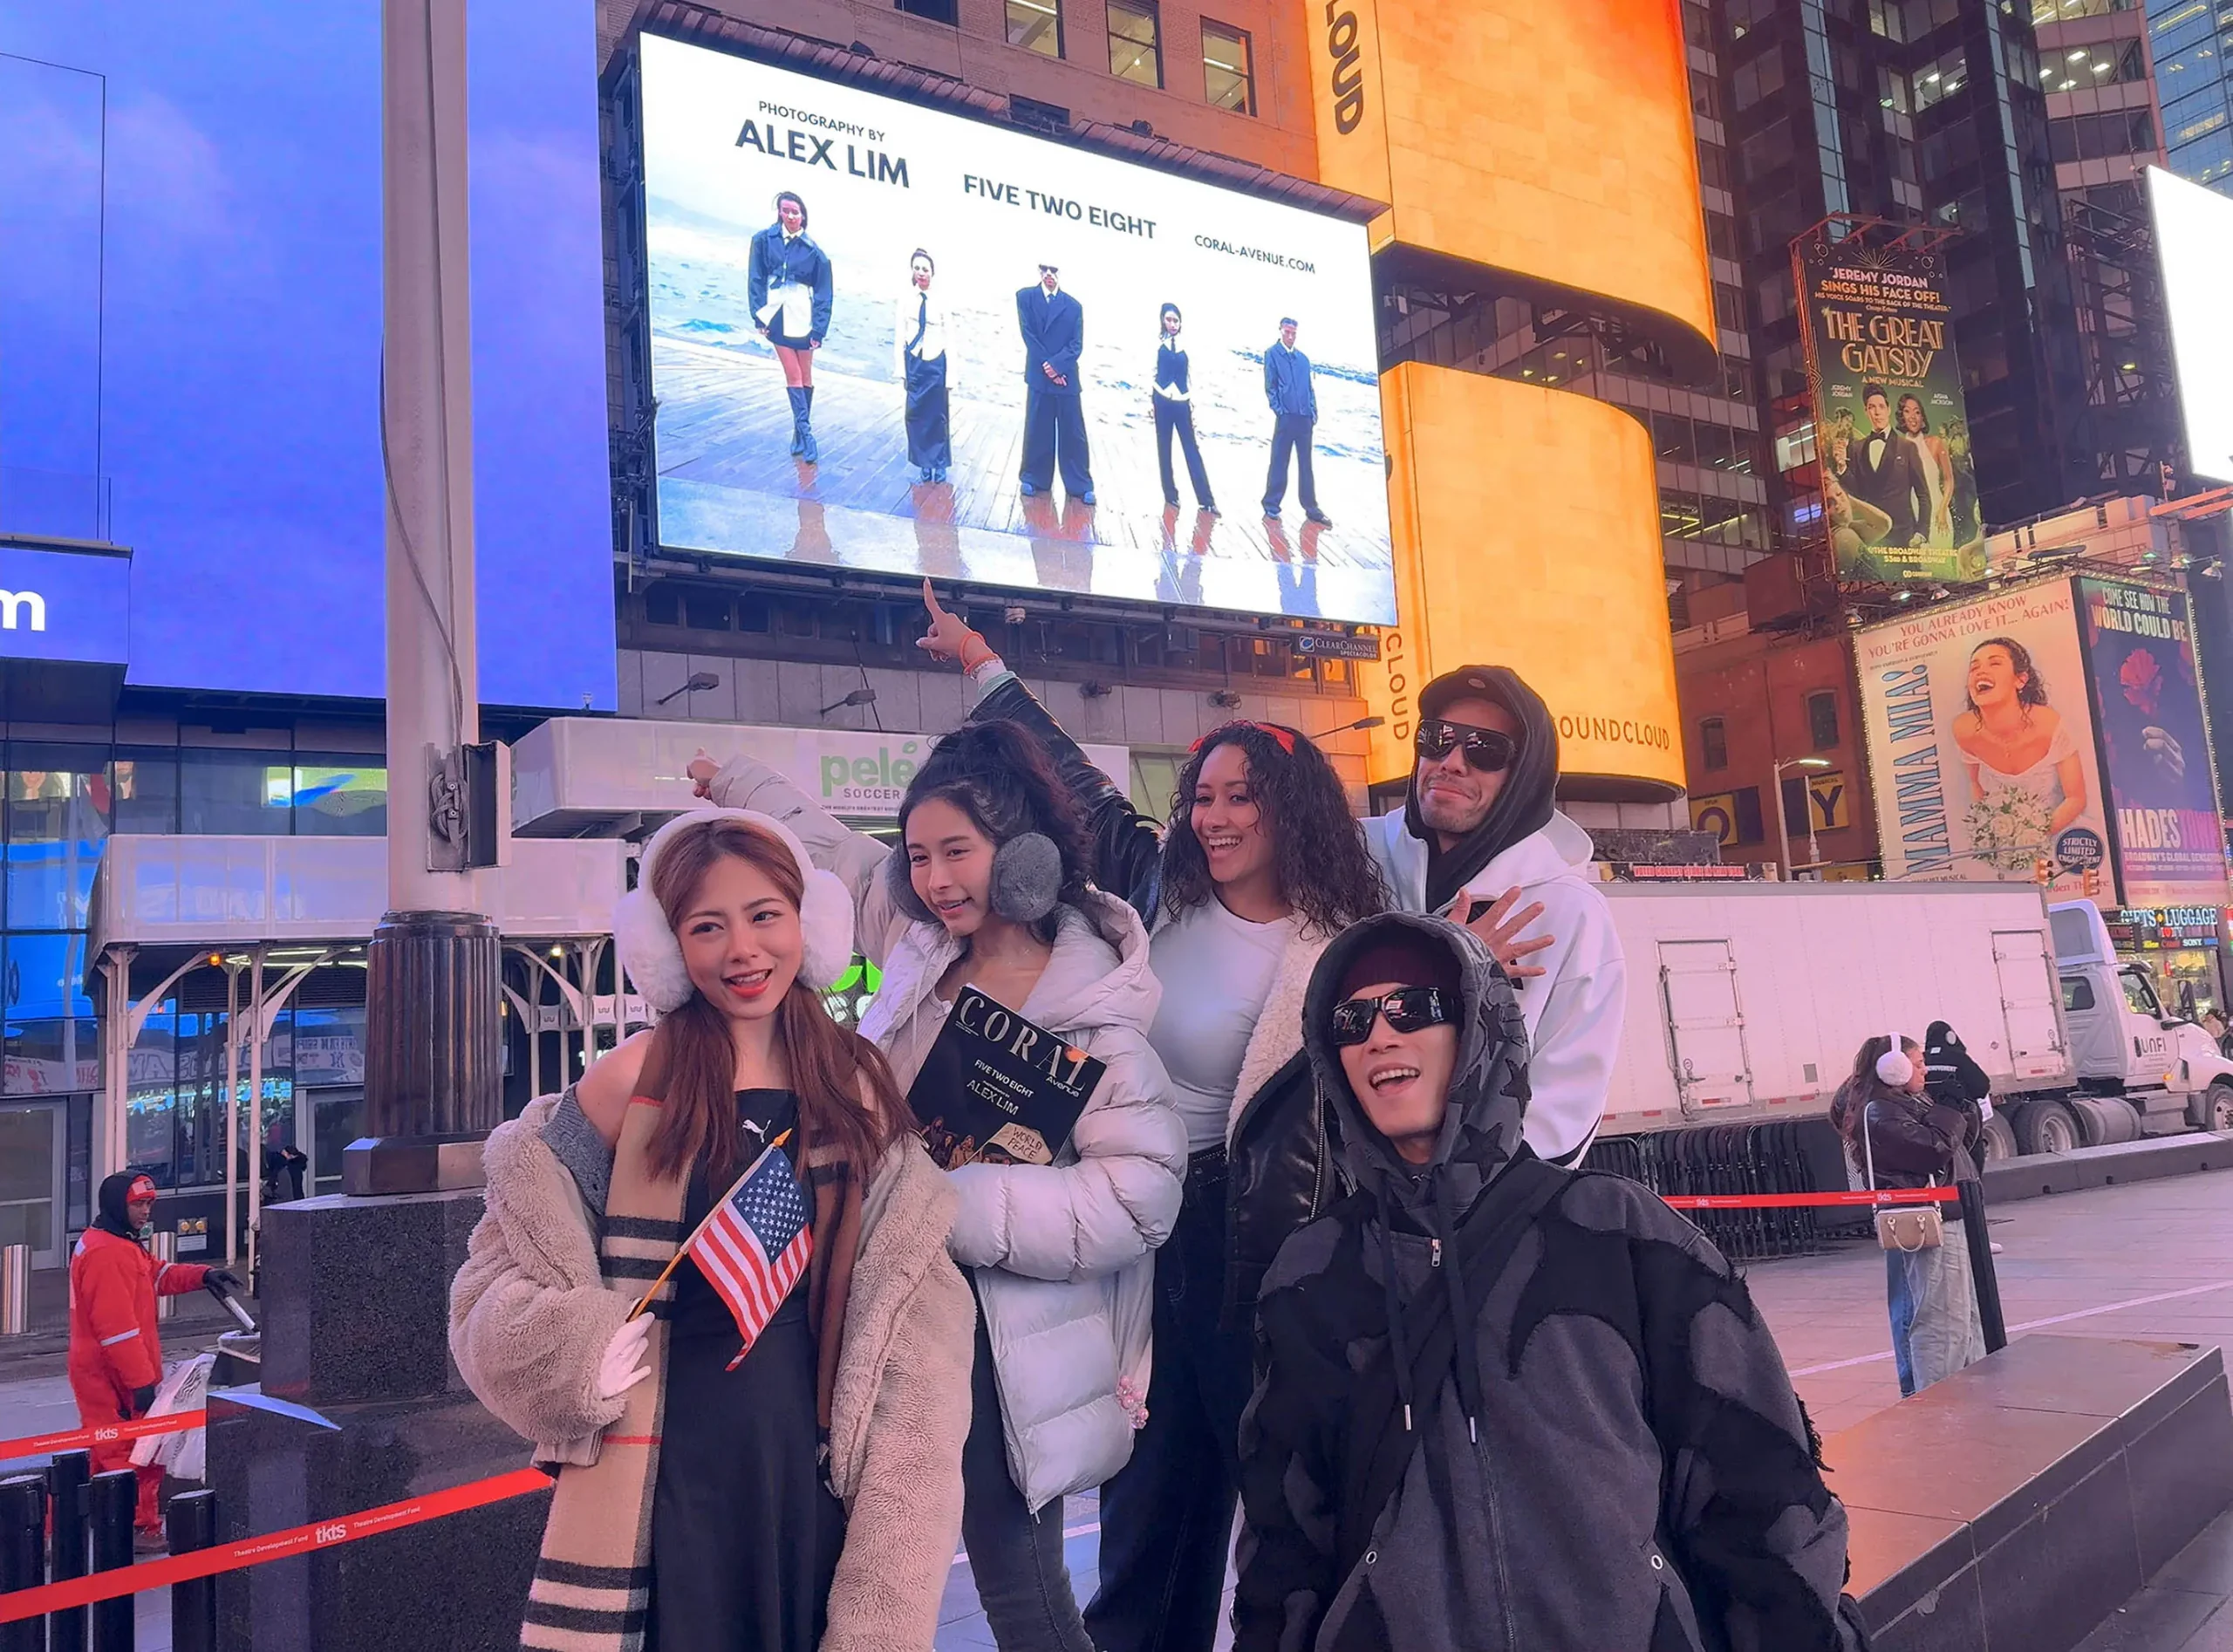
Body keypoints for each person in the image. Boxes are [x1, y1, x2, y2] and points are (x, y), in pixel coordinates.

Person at [905, 584, 1389, 1652]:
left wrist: (1476, 962)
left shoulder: (1340, 944)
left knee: (1274, 1490)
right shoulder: (1158, 891)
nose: (1214, 816)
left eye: (1241, 797)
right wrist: (982, 659)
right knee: (1149, 1494)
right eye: (1202, 795)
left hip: (1249, 1236)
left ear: (1293, 809)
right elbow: (1073, 780)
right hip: (1130, 1221)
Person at [1234, 912, 1868, 1649]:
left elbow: (1759, 1488)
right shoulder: (1312, 1274)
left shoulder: (1622, 1233)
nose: (1379, 1035)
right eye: (1351, 1020)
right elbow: (1282, 1544)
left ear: (1480, 1029)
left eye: (1413, 1007)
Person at [688, 725, 1185, 1652]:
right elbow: (836, 851)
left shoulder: (1094, 1016)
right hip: (887, 1315)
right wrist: (738, 782)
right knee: (871, 1577)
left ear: (1024, 853)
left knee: (1024, 1597)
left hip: (1004, 1348)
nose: (933, 879)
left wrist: (946, 1205)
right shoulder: (918, 947)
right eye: (918, 856)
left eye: (956, 851)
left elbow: (1138, 1197)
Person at [450, 810, 974, 1651]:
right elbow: (490, 1276)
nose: (743, 950)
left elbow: (911, 1297)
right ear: (667, 947)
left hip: (809, 1448)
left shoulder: (853, 1080)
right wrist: (573, 1346)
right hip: (664, 1450)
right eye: (707, 926)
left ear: (810, 923)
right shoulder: (630, 1081)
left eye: (765, 915)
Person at [1362, 665, 1627, 1167]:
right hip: (1349, 1190)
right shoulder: (1356, 858)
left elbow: (1566, 1103)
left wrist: (1460, 1193)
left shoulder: (1568, 910)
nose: (1452, 763)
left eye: (1485, 750)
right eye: (1437, 739)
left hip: (1485, 1200)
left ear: (1524, 776)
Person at [69, 1172, 240, 1549]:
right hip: (113, 1373)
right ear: (118, 1205)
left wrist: (202, 1275)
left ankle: (64, 1528)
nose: (146, 1212)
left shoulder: (115, 1242)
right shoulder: (108, 1253)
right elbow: (117, 1331)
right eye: (138, 1205)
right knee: (135, 1452)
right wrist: (141, 1382)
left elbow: (156, 1275)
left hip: (105, 1369)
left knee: (106, 1450)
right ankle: (138, 1527)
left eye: (148, 1204)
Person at [1829, 1034, 1986, 1398]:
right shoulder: (1880, 1111)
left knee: (1965, 1317)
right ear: (1893, 1070)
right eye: (1917, 1065)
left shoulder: (1909, 1103)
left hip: (1949, 1214)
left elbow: (1958, 1146)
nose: (1925, 1071)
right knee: (1942, 1319)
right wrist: (1947, 1108)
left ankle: (1970, 1392)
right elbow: (1932, 1149)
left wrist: (1962, 1105)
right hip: (1928, 1218)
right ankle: (1938, 1401)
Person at [1952, 636, 2089, 839]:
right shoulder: (1963, 729)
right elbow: (1975, 785)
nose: (1980, 671)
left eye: (1995, 663)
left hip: (2061, 834)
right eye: (1974, 668)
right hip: (2003, 842)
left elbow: (2076, 799)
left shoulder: (2050, 725)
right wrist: (1991, 836)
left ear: (2020, 680)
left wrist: (2029, 839)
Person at [748, 190, 835, 464]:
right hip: (776, 313)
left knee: (806, 376)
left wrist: (819, 329)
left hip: (803, 314)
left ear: (803, 215)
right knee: (793, 375)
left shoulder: (815, 252)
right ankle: (808, 436)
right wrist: (758, 315)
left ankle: (799, 435)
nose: (790, 216)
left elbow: (824, 294)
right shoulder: (763, 240)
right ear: (779, 212)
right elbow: (755, 278)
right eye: (785, 211)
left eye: (795, 212)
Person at [1923, 1018, 2002, 1255]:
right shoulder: (1958, 1058)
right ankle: (1976, 1237)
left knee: (1938, 1184)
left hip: (1932, 1130)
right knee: (1970, 1180)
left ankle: (1941, 1235)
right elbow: (1981, 1086)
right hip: (1963, 1128)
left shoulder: (1921, 1062)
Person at [1017, 263, 1093, 504]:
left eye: (1054, 270)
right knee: (1037, 427)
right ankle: (1033, 478)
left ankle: (1080, 484)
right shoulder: (1025, 297)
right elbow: (1029, 336)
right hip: (1039, 374)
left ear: (1060, 273)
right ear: (1039, 272)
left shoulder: (1074, 306)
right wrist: (1048, 368)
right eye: (1045, 269)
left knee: (1074, 432)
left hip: (1066, 376)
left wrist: (1057, 366)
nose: (1049, 274)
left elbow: (1076, 345)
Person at [1260, 317, 1328, 524]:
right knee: (1279, 461)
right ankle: (1271, 505)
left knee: (1306, 465)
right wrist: (1280, 411)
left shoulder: (1303, 360)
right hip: (1286, 417)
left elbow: (1309, 388)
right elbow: (1270, 386)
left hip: (1305, 418)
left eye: (1293, 333)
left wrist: (1313, 412)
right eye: (1287, 332)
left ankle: (1311, 508)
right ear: (1280, 331)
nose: (1290, 336)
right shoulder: (1272, 354)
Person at [1844, 384, 1928, 550]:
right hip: (1871, 536)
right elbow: (1854, 493)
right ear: (1866, 411)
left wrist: (1921, 532)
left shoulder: (1907, 447)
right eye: (1872, 407)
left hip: (1904, 535)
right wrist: (1841, 468)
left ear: (1888, 409)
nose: (1877, 412)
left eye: (1881, 407)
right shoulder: (1856, 448)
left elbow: (1923, 493)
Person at [1152, 303, 1216, 514]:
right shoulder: (1157, 344)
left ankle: (1206, 500)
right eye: (1168, 320)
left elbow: (1193, 377)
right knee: (1164, 448)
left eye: (1176, 320)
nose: (1172, 324)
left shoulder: (1187, 346)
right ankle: (1170, 496)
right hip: (1161, 399)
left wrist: (1194, 406)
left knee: (1191, 449)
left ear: (1180, 323)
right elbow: (1150, 371)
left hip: (1181, 401)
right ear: (1163, 320)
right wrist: (1150, 402)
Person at [897, 249, 951, 484]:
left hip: (936, 362)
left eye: (925, 269)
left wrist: (951, 377)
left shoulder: (941, 300)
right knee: (915, 414)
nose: (921, 273)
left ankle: (939, 462)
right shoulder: (906, 299)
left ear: (932, 273)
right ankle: (924, 463)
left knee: (937, 416)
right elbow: (900, 336)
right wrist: (902, 370)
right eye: (917, 268)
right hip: (914, 361)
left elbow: (950, 338)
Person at [1897, 393, 1955, 544]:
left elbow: (1948, 479)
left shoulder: (1935, 443)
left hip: (1938, 515)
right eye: (1907, 411)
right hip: (1912, 519)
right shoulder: (1897, 448)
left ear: (1922, 417)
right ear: (1901, 417)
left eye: (1917, 412)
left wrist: (1942, 510)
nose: (1912, 417)